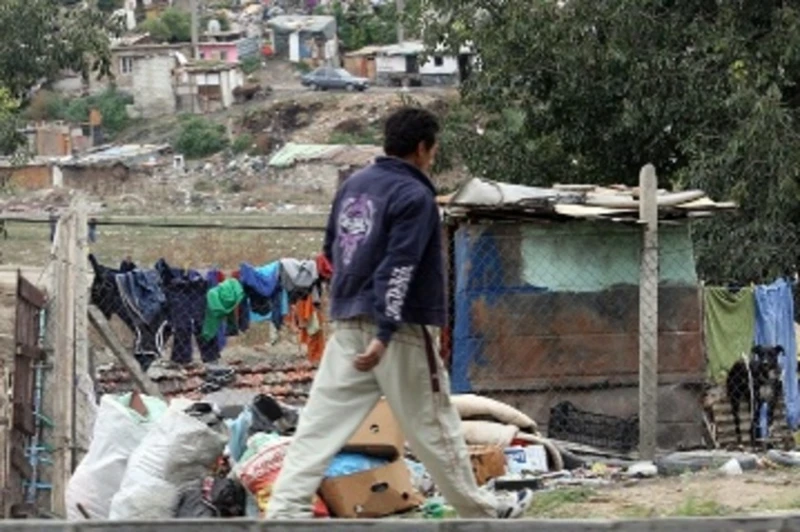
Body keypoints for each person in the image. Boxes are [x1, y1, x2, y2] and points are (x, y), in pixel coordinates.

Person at [266, 107, 534, 519]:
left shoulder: (353, 186)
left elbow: (330, 251)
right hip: (398, 331)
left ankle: (284, 513)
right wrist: (385, 331)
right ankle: (482, 513)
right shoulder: (415, 195)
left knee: (318, 428)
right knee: (435, 428)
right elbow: (401, 264)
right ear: (423, 148)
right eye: (433, 148)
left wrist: (355, 303)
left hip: (348, 324)